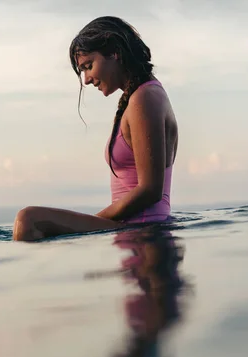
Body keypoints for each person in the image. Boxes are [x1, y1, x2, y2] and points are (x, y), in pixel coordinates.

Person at [12, 16, 179, 241]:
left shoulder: (145, 98)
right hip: (134, 231)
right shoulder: (141, 97)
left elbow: (150, 189)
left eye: (89, 66)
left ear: (114, 52)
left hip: (143, 229)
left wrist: (92, 226)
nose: (87, 79)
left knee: (28, 218)